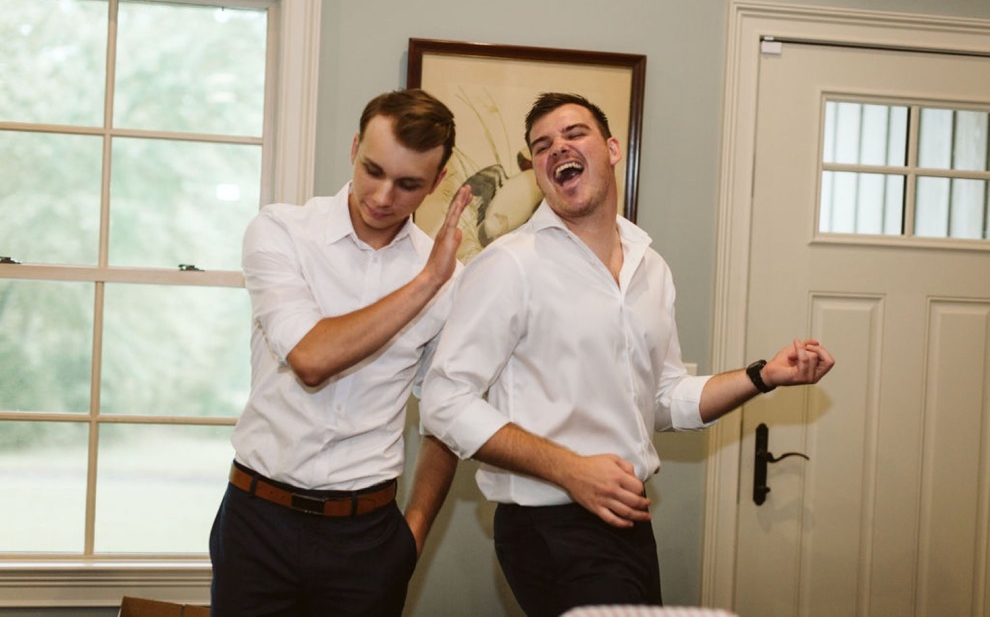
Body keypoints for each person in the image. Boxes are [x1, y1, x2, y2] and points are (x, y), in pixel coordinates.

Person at [420, 92, 835, 616]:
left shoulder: (651, 268)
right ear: (538, 172)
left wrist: (763, 375)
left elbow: (662, 399)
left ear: (612, 149)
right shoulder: (510, 266)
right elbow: (443, 400)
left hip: (629, 521)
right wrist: (570, 469)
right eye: (542, 145)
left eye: (574, 134)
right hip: (547, 527)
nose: (558, 149)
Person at [209, 89, 472, 616]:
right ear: (354, 146)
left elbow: (446, 415)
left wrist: (412, 533)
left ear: (438, 184)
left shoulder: (452, 281)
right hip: (258, 521)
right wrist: (427, 283)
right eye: (372, 169)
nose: (381, 196)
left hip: (368, 536)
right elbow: (310, 358)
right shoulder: (280, 231)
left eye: (408, 185)